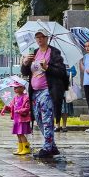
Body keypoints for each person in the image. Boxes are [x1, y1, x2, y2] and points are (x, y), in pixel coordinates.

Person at [20, 29, 68, 158]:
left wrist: (48, 68)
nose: (39, 39)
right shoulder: (34, 53)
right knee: (39, 119)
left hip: (48, 90)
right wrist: (25, 63)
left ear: (47, 38)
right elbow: (25, 72)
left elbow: (61, 72)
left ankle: (47, 147)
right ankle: (52, 146)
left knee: (47, 118)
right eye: (37, 37)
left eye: (42, 37)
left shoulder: (54, 53)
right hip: (35, 91)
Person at [0, 79, 32, 155]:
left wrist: (19, 110)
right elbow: (12, 107)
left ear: (23, 88)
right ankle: (20, 148)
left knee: (21, 133)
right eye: (14, 88)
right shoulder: (15, 98)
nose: (15, 89)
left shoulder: (26, 97)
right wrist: (5, 108)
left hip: (23, 119)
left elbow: (27, 108)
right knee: (18, 134)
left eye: (16, 87)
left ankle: (26, 148)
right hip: (17, 119)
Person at [57, 65, 76, 132]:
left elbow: (73, 73)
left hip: (66, 88)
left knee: (65, 107)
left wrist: (64, 72)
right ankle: (57, 125)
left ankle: (64, 125)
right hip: (56, 88)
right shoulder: (54, 61)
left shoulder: (69, 63)